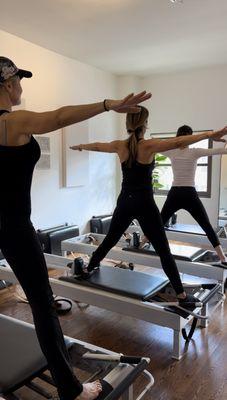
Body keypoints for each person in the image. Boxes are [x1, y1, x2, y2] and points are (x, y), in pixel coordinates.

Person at [0, 56, 151, 400]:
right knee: (43, 304)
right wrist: (107, 104)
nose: (22, 86)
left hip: (7, 224)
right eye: (19, 80)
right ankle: (72, 389)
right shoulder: (10, 122)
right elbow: (56, 117)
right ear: (8, 84)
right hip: (14, 226)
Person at [70, 106, 227, 304]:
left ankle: (87, 268)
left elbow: (100, 146)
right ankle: (181, 295)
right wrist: (211, 134)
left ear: (128, 124)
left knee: (110, 239)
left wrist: (82, 145)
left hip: (125, 201)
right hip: (144, 203)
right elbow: (179, 141)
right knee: (163, 251)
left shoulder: (120, 146)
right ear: (144, 124)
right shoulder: (149, 146)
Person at [160, 125, 227, 264]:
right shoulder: (195, 151)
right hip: (189, 193)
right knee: (206, 225)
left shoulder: (171, 151)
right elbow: (220, 151)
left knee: (159, 222)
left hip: (175, 193)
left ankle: (141, 243)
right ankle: (222, 257)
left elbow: (155, 146)